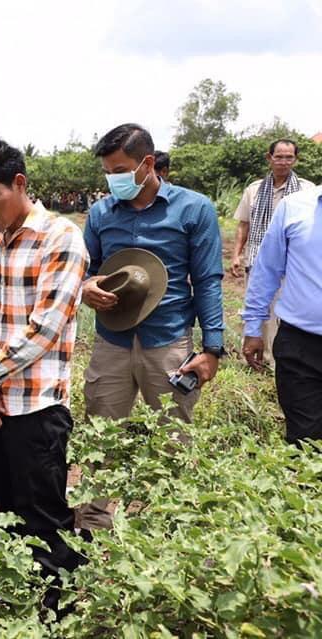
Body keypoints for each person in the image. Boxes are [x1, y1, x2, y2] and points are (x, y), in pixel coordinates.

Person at [0, 136, 87, 610]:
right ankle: (21, 609)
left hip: (36, 408)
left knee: (44, 520)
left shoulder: (61, 238)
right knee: (7, 515)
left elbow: (45, 328)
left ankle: (58, 613)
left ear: (19, 183)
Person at [77, 123, 225, 530]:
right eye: (108, 172)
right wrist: (86, 286)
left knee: (172, 444)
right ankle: (93, 532)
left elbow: (208, 279)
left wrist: (212, 349)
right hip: (112, 342)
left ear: (147, 163)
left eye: (120, 169)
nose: (114, 180)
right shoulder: (102, 213)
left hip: (170, 343)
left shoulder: (193, 209)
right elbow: (83, 269)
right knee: (100, 439)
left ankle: (169, 532)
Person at [242, 184, 322, 444]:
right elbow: (266, 270)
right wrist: (253, 328)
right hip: (301, 345)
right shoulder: (295, 206)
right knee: (305, 441)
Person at [231, 139, 314, 368]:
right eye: (279, 157)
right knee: (257, 307)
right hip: (258, 259)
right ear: (269, 158)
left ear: (296, 159)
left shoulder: (306, 190)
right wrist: (236, 255)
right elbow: (243, 225)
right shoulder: (255, 189)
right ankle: (256, 358)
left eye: (289, 157)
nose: (284, 162)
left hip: (292, 264)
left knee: (283, 312)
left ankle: (279, 361)